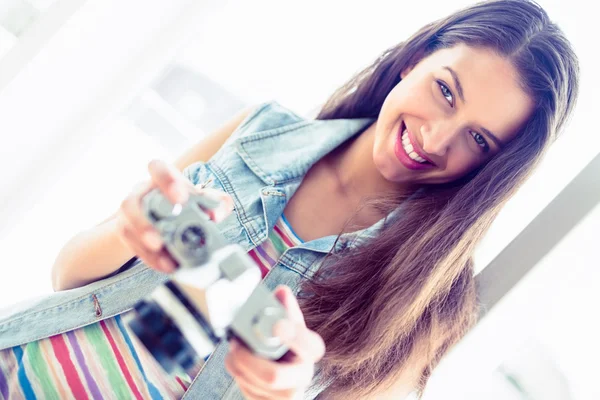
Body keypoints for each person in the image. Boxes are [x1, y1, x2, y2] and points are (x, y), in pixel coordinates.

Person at [0, 0, 579, 399]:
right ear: (414, 60)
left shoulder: (424, 302)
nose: (434, 138)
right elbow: (67, 272)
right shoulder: (259, 131)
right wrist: (130, 234)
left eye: (478, 139)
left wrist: (275, 392)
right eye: (444, 91)